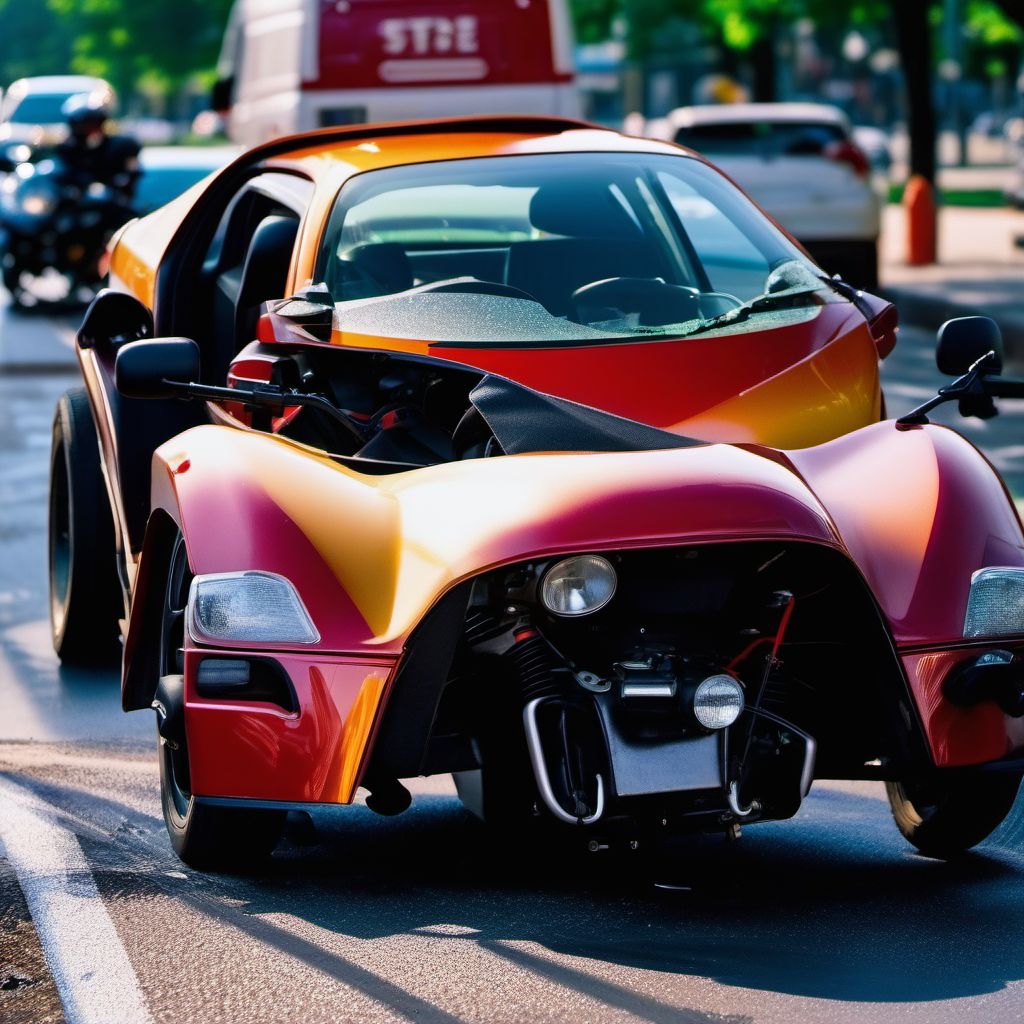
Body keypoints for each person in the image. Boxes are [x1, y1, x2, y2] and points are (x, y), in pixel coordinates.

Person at [55, 93, 140, 201]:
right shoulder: (66, 150)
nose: (90, 131)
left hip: (115, 204)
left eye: (94, 124)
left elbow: (132, 174)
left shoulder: (121, 147)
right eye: (84, 126)